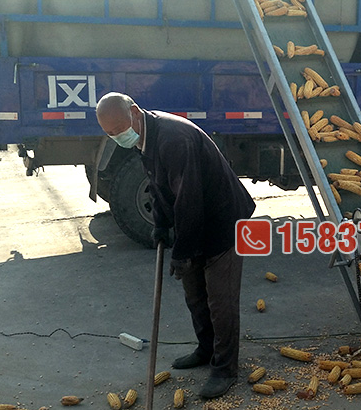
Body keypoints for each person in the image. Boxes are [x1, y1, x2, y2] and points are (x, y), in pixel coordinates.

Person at [95, 92, 255, 399]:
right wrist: (160, 224)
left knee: (220, 301)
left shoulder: (173, 139)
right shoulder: (144, 137)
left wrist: (182, 252)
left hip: (223, 219)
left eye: (119, 129)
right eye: (110, 134)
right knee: (195, 294)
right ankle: (206, 349)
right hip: (194, 219)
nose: (117, 137)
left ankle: (225, 369)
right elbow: (159, 185)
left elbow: (189, 198)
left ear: (135, 113)